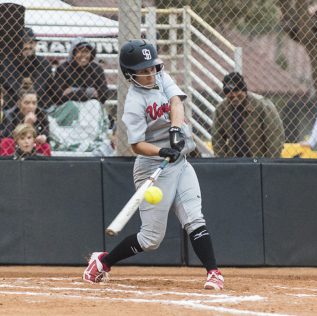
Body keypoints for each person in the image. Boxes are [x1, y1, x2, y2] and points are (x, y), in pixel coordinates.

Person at [83, 39, 224, 290]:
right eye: (143, 70)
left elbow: (176, 103)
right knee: (151, 239)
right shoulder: (134, 103)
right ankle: (103, 261)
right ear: (130, 74)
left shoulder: (161, 78)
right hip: (151, 167)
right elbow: (136, 145)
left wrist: (175, 130)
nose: (150, 73)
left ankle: (213, 272)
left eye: (152, 67)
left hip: (179, 161)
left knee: (194, 217)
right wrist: (161, 150)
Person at [47, 38, 110, 153]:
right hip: (69, 110)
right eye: (80, 51)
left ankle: (90, 141)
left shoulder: (97, 69)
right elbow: (58, 96)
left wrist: (73, 91)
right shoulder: (63, 69)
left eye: (86, 51)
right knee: (72, 105)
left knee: (94, 104)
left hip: (91, 111)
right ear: (73, 53)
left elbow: (103, 95)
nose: (83, 55)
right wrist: (90, 92)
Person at [212, 72, 285, 158]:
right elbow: (217, 139)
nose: (234, 97)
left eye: (238, 93)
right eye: (230, 95)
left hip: (259, 159)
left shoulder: (262, 105)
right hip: (234, 161)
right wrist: (223, 162)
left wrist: (269, 163)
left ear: (244, 90)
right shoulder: (221, 109)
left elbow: (274, 136)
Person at [0, 27, 52, 109]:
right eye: (24, 42)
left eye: (31, 42)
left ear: (35, 44)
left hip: (38, 106)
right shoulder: (6, 63)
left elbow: (41, 89)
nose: (28, 46)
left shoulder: (44, 63)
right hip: (12, 107)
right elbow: (11, 89)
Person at [0, 89, 51, 156]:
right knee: (7, 142)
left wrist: (43, 137)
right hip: (15, 147)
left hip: (33, 145)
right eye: (27, 103)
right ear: (19, 103)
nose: (31, 106)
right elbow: (10, 137)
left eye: (34, 103)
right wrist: (26, 125)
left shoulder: (41, 114)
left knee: (46, 146)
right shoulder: (11, 115)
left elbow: (47, 135)